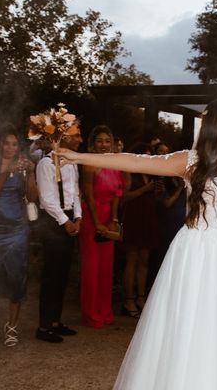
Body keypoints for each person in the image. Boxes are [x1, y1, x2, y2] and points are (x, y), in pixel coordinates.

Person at [57, 97, 217, 390]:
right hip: (196, 254)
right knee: (192, 329)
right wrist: (80, 157)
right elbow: (134, 160)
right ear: (215, 123)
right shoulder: (192, 161)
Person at [0, 126, 38, 347]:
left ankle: (11, 327)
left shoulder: (22, 167)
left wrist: (30, 173)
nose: (10, 148)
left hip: (17, 231)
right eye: (6, 143)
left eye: (14, 144)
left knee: (17, 278)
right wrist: (6, 172)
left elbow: (32, 198)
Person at [35, 130, 83, 343]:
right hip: (54, 221)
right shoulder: (46, 163)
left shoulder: (71, 161)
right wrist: (66, 222)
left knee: (63, 272)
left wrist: (79, 216)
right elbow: (47, 199)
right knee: (51, 274)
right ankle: (44, 326)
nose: (80, 140)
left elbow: (75, 191)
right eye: (77, 135)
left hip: (70, 216)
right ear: (64, 137)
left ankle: (55, 321)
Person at [79, 125, 124, 328]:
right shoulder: (89, 164)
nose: (104, 144)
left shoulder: (115, 164)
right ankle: (91, 314)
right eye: (100, 141)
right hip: (91, 216)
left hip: (108, 217)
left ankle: (105, 311)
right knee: (92, 267)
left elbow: (117, 194)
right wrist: (97, 222)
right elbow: (87, 194)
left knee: (106, 268)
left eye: (108, 141)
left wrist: (113, 220)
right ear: (93, 144)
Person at [120, 142, 160, 317]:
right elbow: (124, 197)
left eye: (150, 155)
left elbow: (155, 199)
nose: (148, 158)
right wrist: (145, 189)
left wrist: (157, 191)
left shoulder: (151, 174)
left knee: (144, 260)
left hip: (149, 217)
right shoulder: (129, 172)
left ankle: (141, 297)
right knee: (132, 259)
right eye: (144, 155)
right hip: (133, 217)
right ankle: (128, 299)